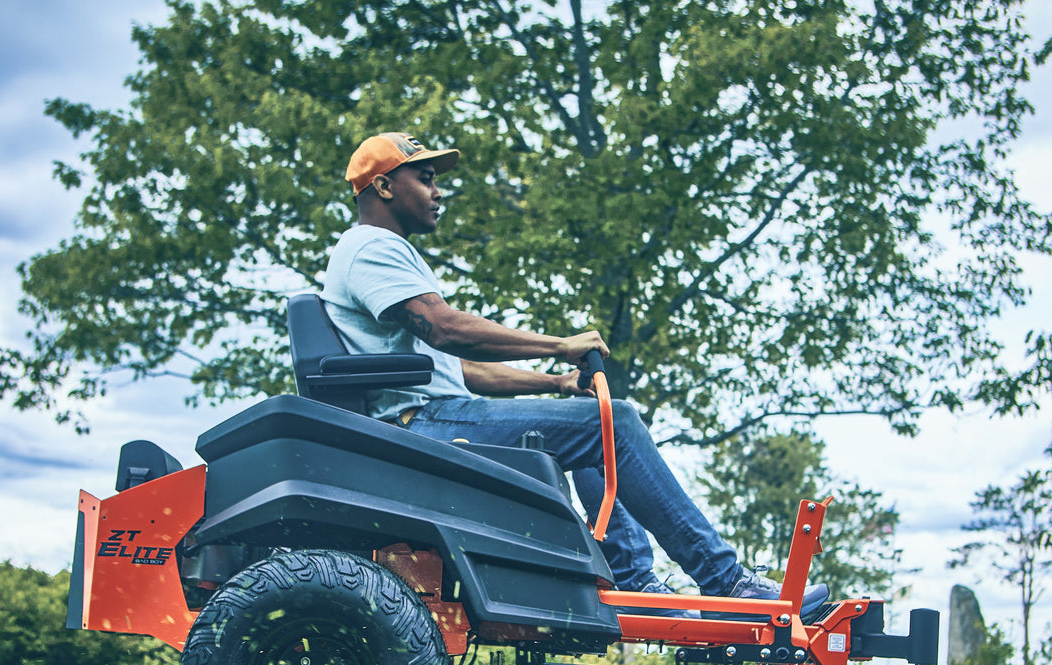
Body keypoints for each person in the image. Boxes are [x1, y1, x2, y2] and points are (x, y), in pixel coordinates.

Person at [319, 132, 821, 614]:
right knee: (618, 423)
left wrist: (557, 385)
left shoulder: (382, 254)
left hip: (436, 416)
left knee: (593, 418)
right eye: (425, 178)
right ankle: (728, 582)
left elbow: (460, 368)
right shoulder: (372, 248)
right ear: (384, 186)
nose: (438, 191)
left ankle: (633, 574)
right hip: (422, 426)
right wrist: (559, 347)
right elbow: (444, 329)